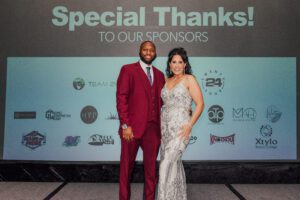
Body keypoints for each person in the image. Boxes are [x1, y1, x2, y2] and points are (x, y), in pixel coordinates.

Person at [116, 41, 165, 200]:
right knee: (126, 169)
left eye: (151, 50)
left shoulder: (159, 75)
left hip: (153, 130)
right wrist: (125, 125)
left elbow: (163, 102)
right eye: (145, 49)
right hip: (131, 129)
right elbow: (121, 98)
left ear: (155, 53)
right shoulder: (128, 70)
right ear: (140, 51)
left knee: (151, 171)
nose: (148, 52)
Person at [157, 47, 204, 200]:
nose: (177, 65)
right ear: (169, 64)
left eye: (180, 62)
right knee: (173, 165)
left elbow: (200, 104)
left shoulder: (189, 79)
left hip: (181, 129)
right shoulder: (166, 80)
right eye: (173, 62)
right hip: (164, 129)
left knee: (166, 164)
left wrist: (189, 125)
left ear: (185, 64)